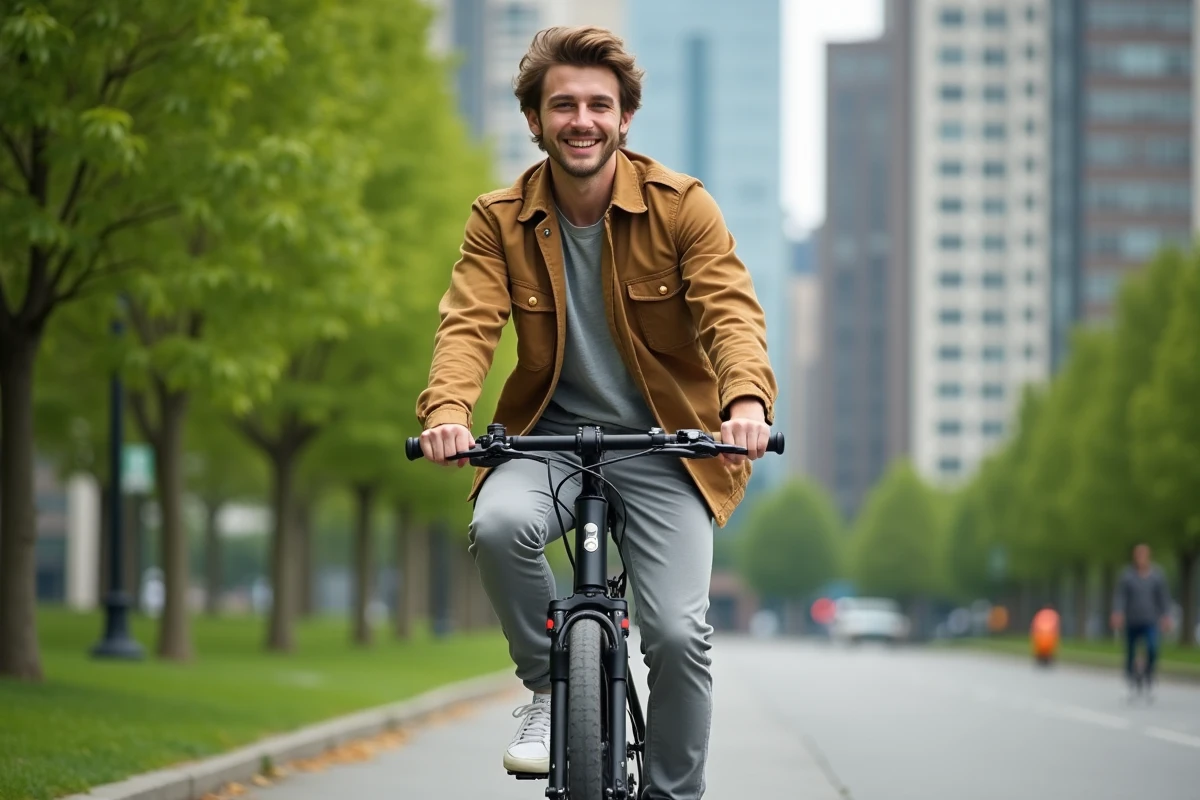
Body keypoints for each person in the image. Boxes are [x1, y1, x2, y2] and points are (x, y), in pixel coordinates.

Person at [415, 25, 777, 800]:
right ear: (535, 119)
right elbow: (468, 324)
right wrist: (447, 410)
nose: (582, 120)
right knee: (498, 526)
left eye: (599, 105)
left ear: (625, 117)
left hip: (664, 445)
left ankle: (672, 793)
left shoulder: (681, 207)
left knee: (677, 634)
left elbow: (730, 313)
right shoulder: (497, 219)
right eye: (564, 105)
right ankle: (549, 690)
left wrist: (745, 401)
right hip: (546, 440)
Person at [1110, 543, 1172, 695]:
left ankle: (1149, 672)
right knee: (1130, 650)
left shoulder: (1157, 575)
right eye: (1138, 555)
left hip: (1150, 619)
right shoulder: (1127, 575)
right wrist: (1117, 613)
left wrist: (1166, 615)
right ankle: (1130, 675)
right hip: (1132, 619)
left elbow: (1163, 597)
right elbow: (1121, 596)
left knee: (1152, 647)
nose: (1141, 558)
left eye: (1143, 555)